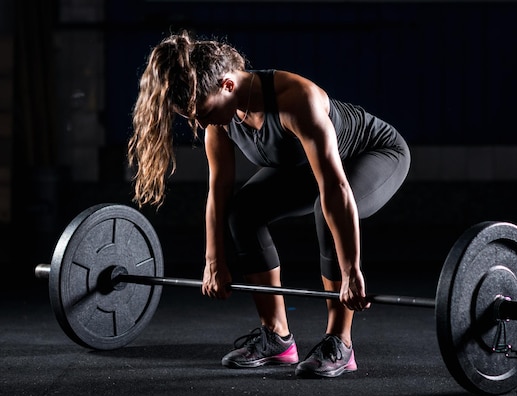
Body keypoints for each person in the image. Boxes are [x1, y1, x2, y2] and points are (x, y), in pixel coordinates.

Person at [127, 30, 411, 378]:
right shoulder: (222, 118)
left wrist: (352, 270)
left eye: (200, 112)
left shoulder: (296, 99)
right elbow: (219, 191)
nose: (198, 124)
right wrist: (213, 262)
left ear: (227, 86)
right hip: (310, 166)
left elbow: (336, 187)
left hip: (373, 154)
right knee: (242, 210)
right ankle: (278, 337)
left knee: (326, 209)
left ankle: (341, 342)